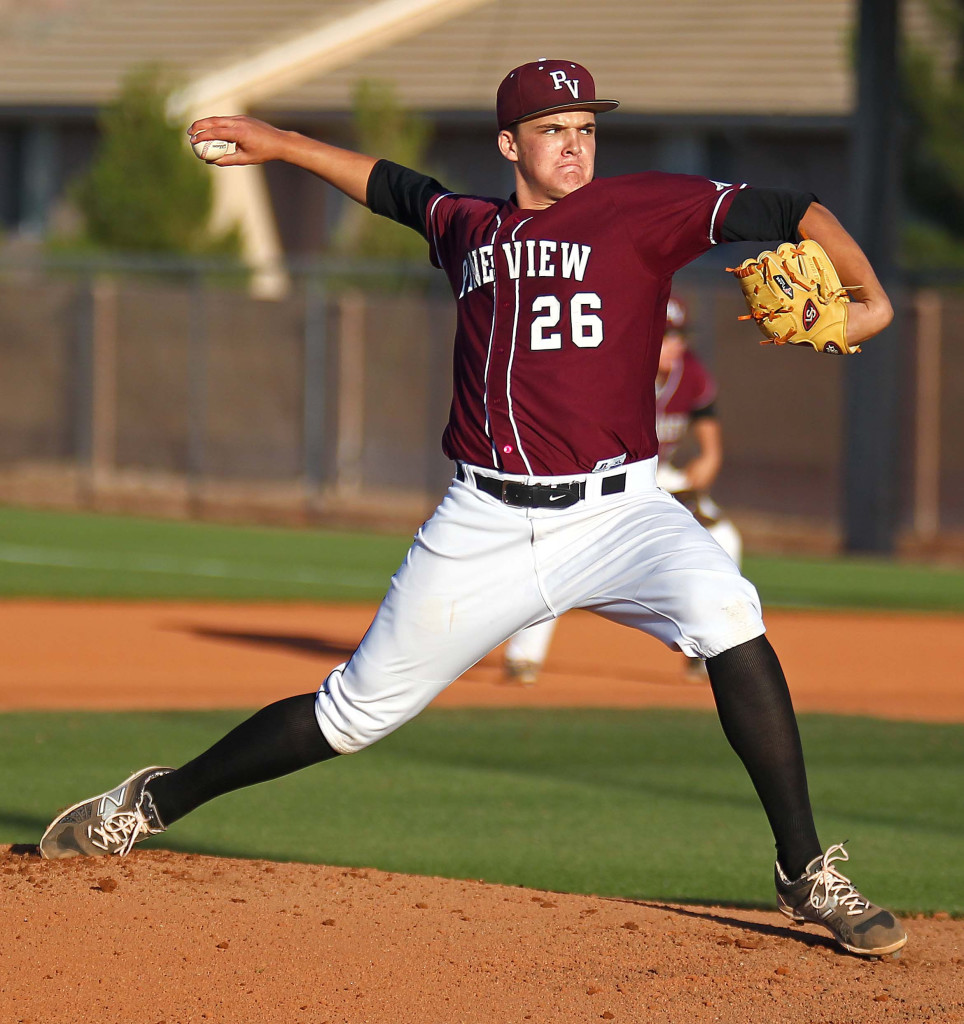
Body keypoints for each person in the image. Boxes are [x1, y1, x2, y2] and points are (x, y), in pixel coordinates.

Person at [40, 59, 905, 958]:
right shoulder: (468, 227)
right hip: (483, 522)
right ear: (510, 143)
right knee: (349, 716)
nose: (574, 146)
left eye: (586, 129)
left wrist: (871, 302)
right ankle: (152, 799)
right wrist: (281, 143)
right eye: (553, 129)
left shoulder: (645, 208)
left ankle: (804, 871)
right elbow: (392, 188)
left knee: (730, 616)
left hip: (623, 513)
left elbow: (796, 207)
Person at [502, 294, 742, 684]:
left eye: (679, 335)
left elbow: (705, 414)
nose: (675, 344)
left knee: (724, 537)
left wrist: (710, 457)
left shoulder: (690, 371)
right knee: (557, 554)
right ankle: (523, 657)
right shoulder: (614, 371)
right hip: (602, 477)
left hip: (659, 476)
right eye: (666, 335)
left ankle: (710, 647)